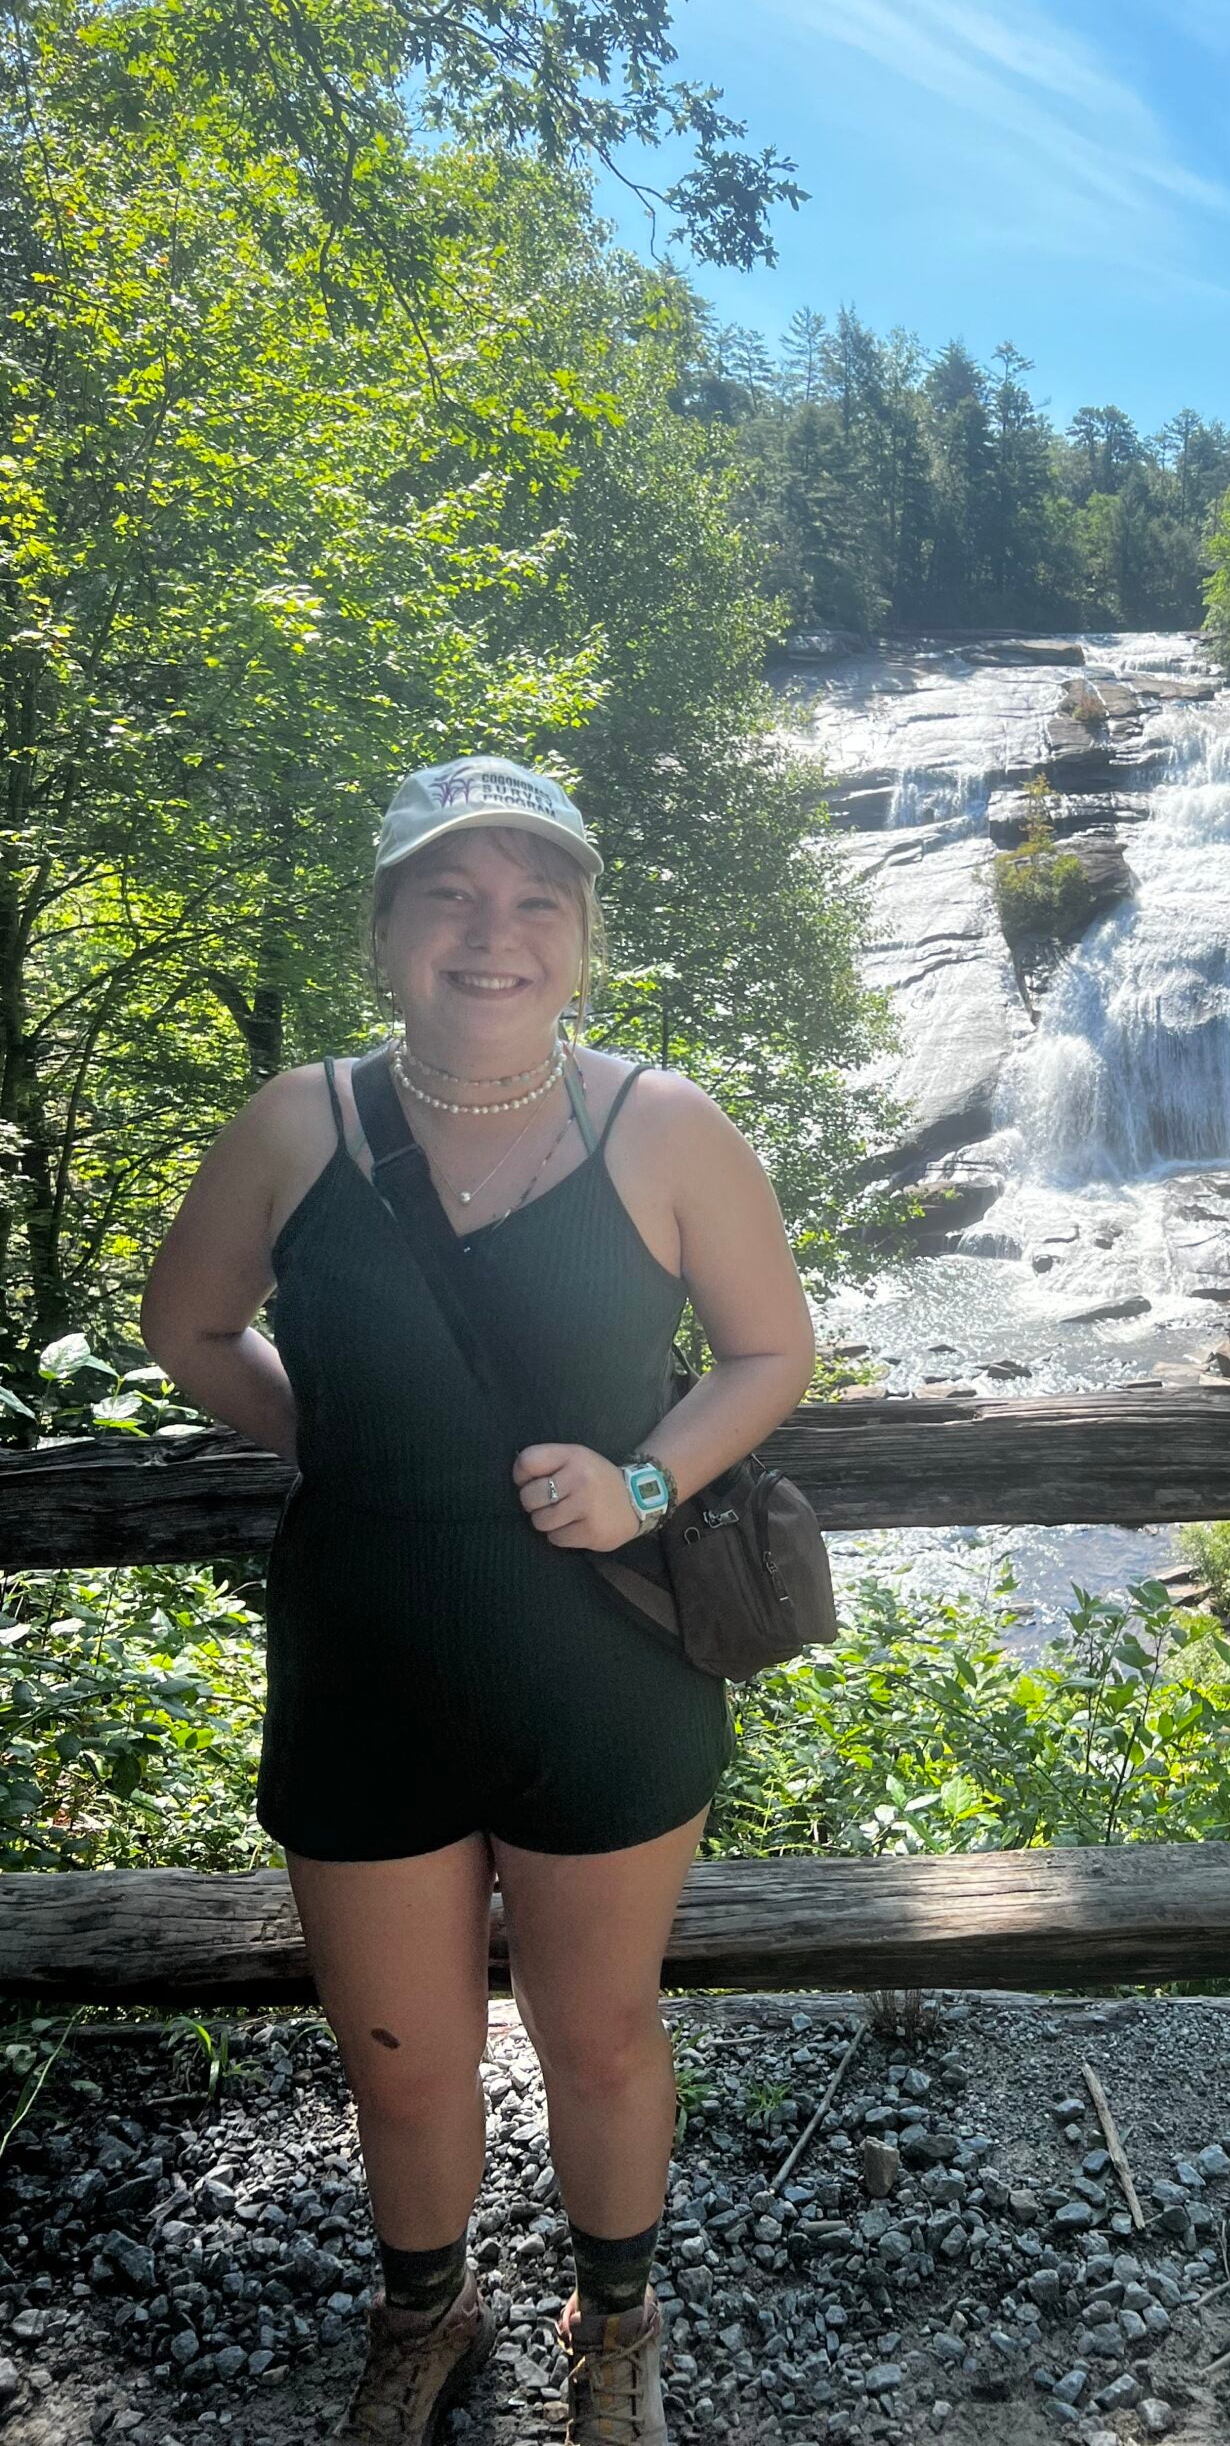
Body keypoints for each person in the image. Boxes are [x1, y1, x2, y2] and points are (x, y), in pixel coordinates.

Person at [141, 757, 815, 2445]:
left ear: (582, 934)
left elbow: (769, 1351)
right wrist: (339, 1433)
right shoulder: (305, 1122)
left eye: (534, 898)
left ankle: (618, 2315)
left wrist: (644, 1484)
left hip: (605, 1667)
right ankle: (428, 2314)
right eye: (449, 893)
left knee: (598, 2038)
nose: (491, 931)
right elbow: (189, 1328)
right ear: (386, 930)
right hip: (365, 1659)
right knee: (399, 2051)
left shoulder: (661, 1124)